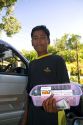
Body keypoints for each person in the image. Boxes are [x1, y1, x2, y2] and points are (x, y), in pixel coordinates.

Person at [24, 25, 70, 125]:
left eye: (42, 37)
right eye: (35, 38)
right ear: (32, 42)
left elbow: (68, 94)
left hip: (52, 116)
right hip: (33, 116)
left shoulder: (57, 60)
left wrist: (57, 108)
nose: (39, 41)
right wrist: (24, 120)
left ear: (48, 41)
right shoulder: (31, 64)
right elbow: (29, 95)